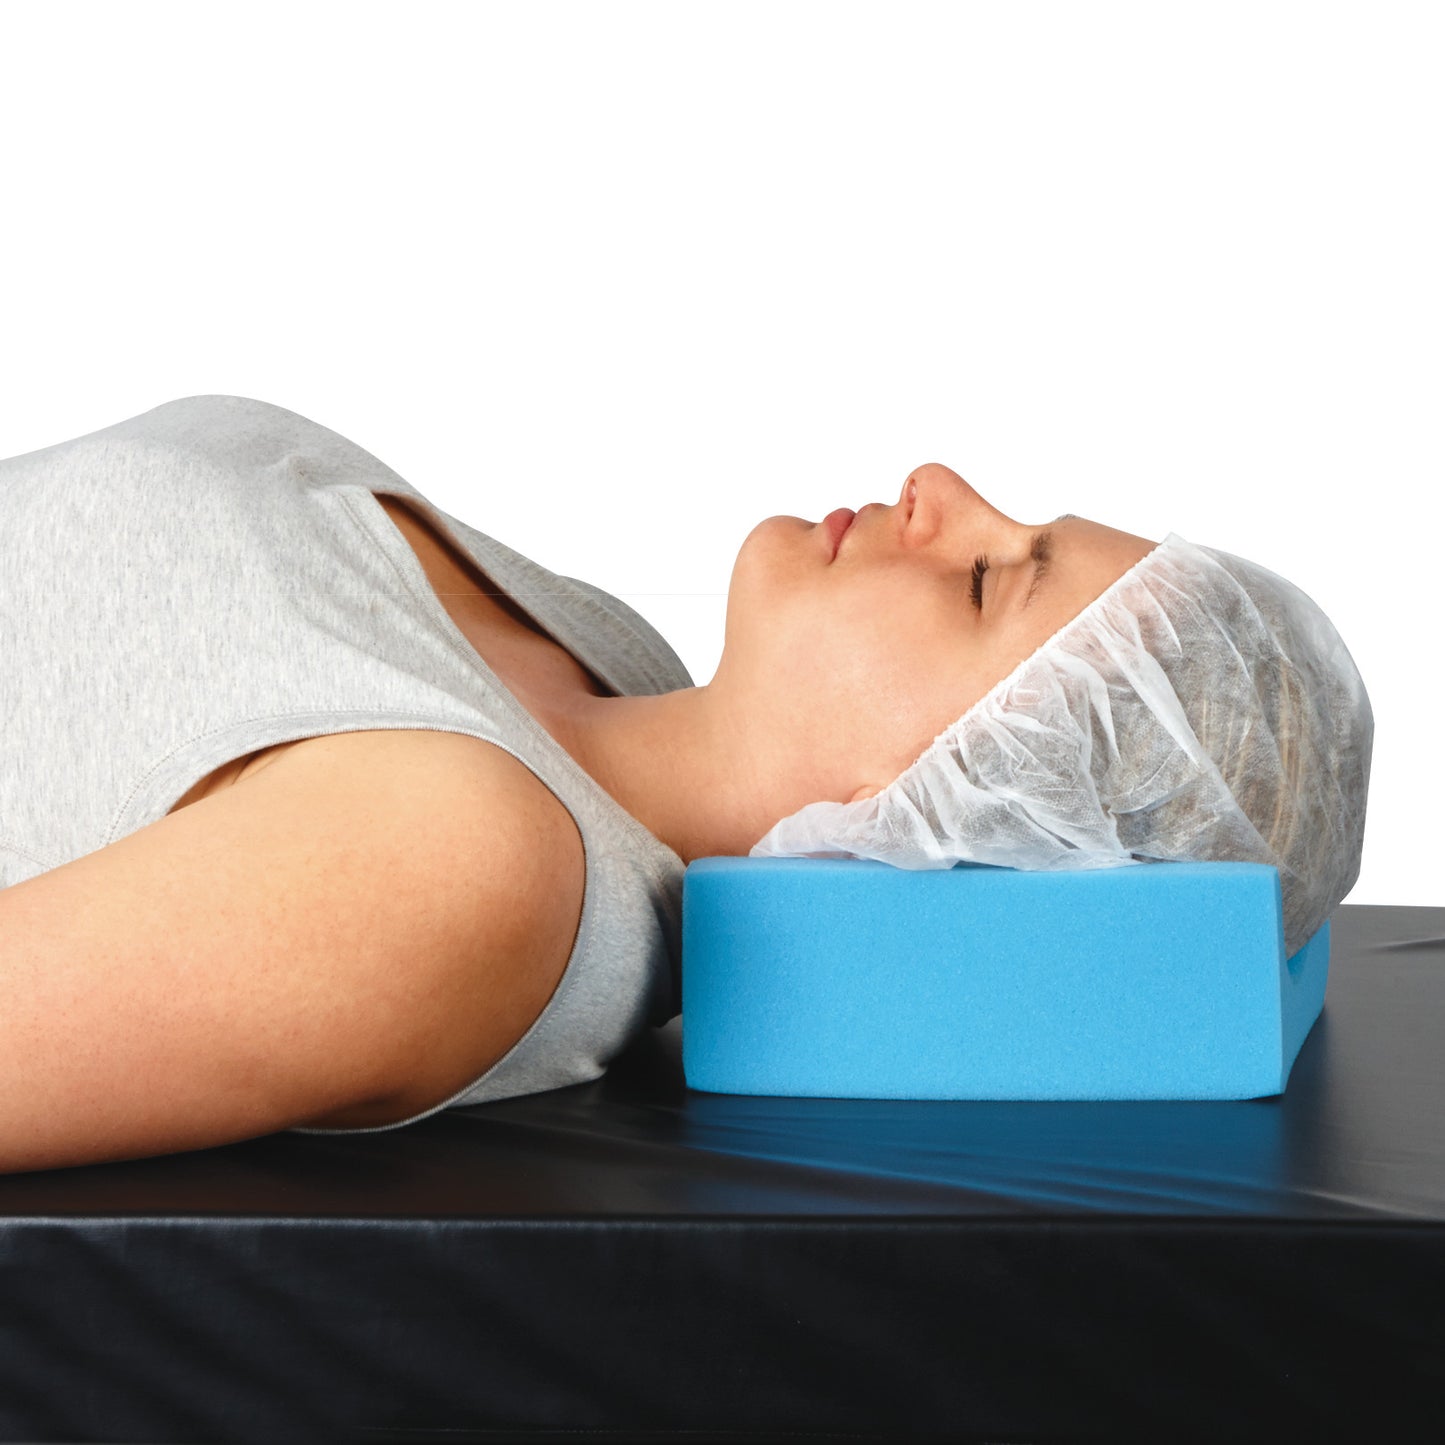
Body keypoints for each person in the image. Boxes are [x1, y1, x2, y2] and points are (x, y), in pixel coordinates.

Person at [0, 398, 1371, 1173]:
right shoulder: (604, 653)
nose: (934, 485)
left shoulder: (471, 871)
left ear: (972, 800)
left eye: (982, 578)